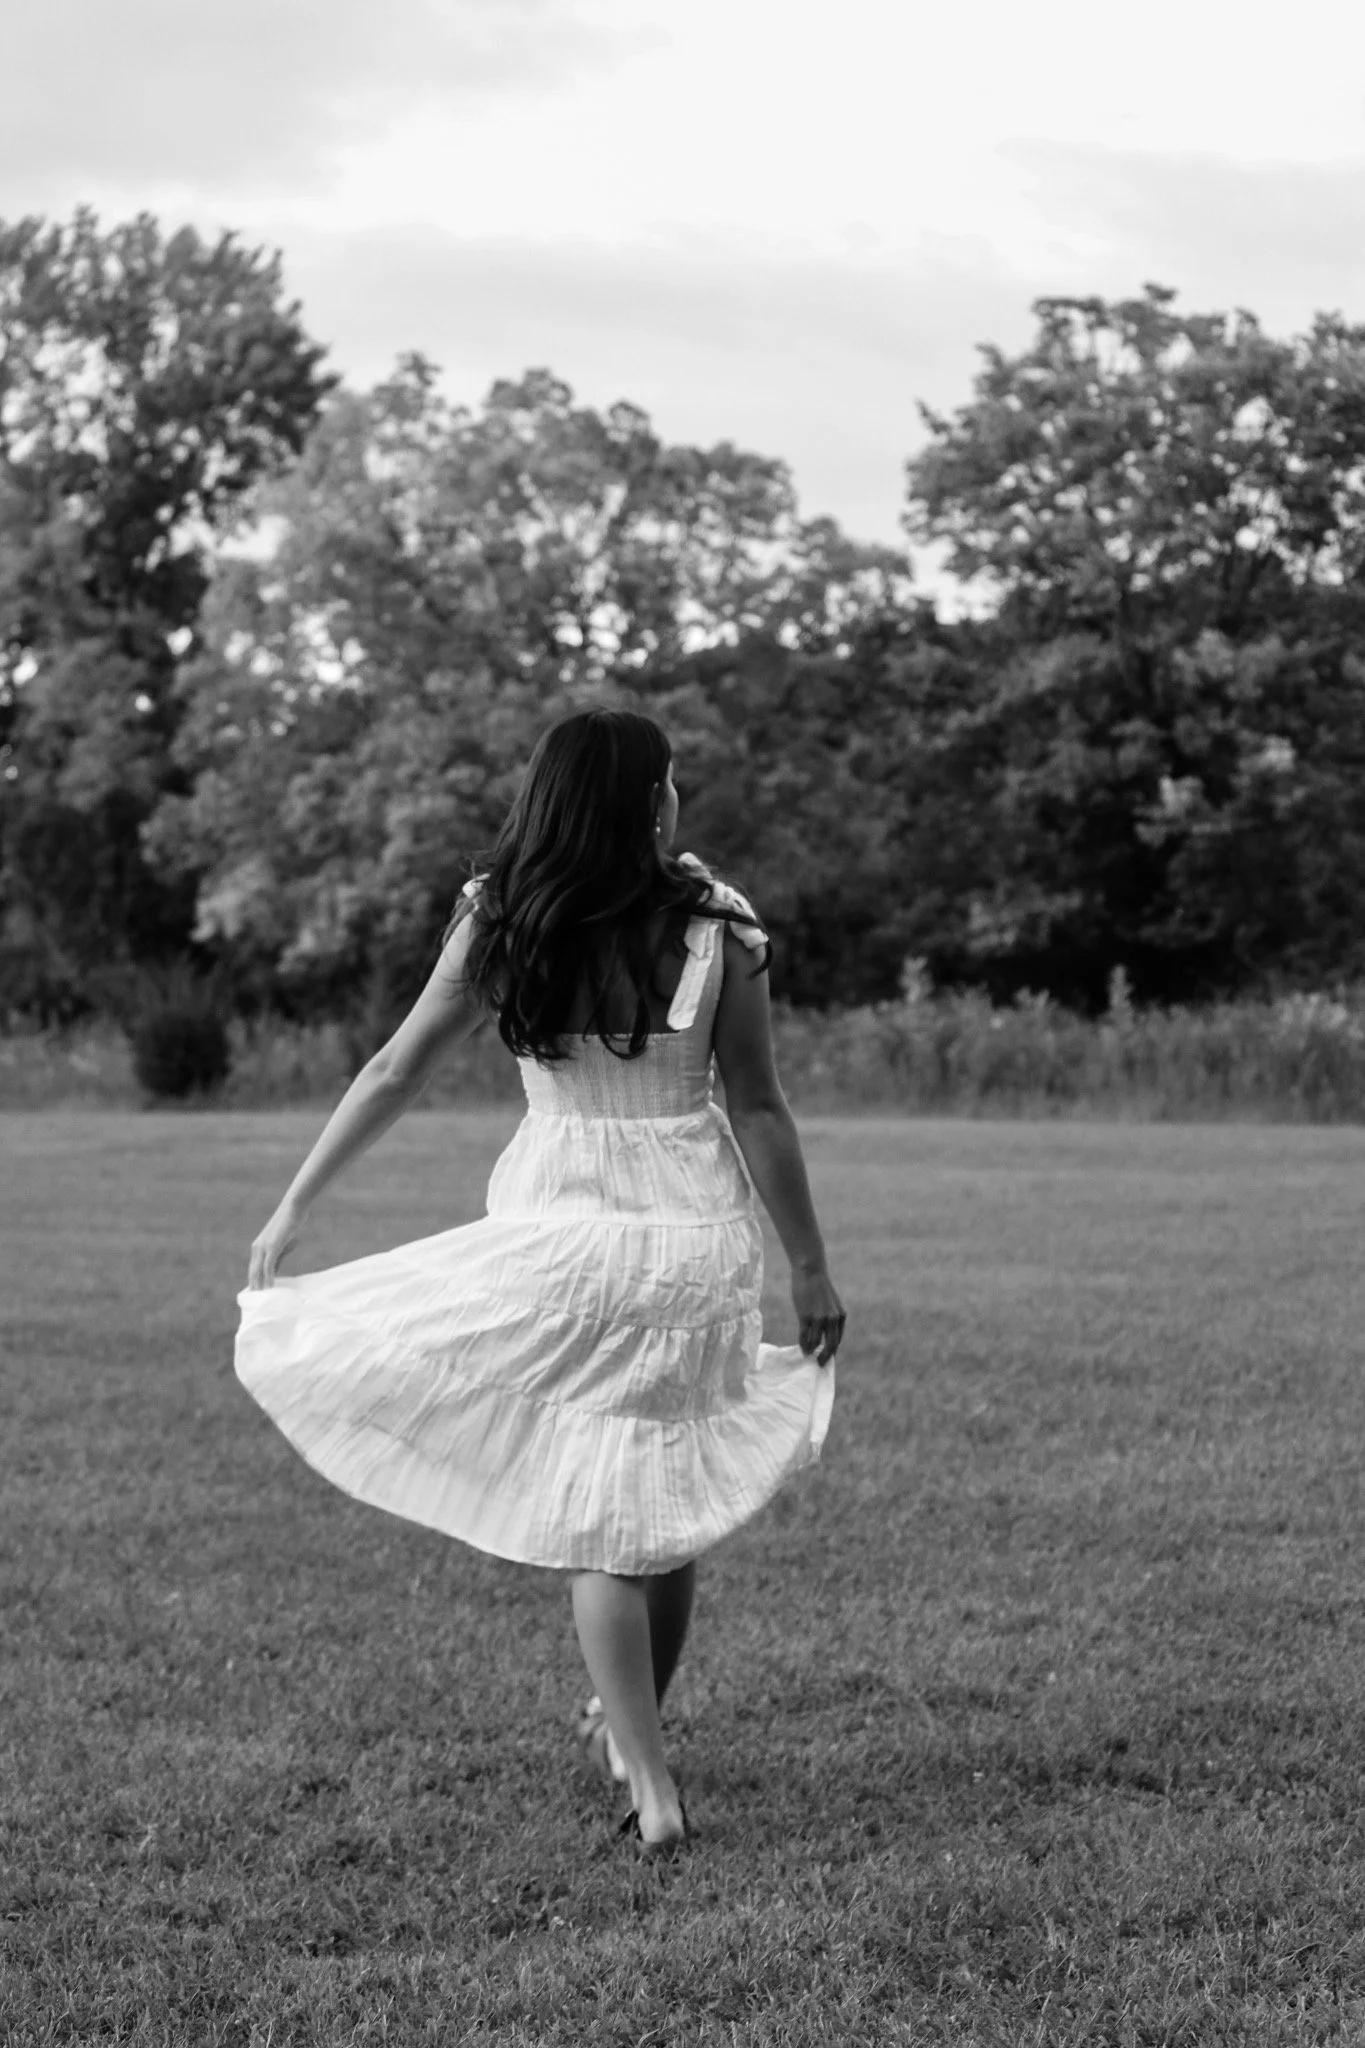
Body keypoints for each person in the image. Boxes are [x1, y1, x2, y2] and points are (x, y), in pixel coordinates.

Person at [237, 707, 845, 1859]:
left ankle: (649, 1781)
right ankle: (633, 1734)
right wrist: (810, 1265)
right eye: (668, 785)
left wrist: (295, 1202)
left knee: (605, 1514)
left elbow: (395, 1063)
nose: (678, 802)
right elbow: (760, 1105)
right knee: (660, 1493)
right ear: (641, 802)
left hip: (566, 1235)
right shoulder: (719, 925)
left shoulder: (504, 911)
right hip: (698, 1240)